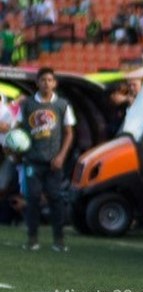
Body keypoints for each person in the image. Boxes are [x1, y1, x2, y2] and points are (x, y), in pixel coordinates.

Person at [18, 67, 76, 252]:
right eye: (43, 80)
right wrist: (17, 149)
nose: (46, 83)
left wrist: (61, 156)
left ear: (55, 83)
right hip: (32, 161)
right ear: (37, 82)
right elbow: (19, 130)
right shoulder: (27, 104)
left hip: (54, 162)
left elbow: (69, 132)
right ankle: (32, 239)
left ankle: (58, 240)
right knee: (32, 198)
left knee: (55, 199)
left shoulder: (62, 105)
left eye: (50, 80)